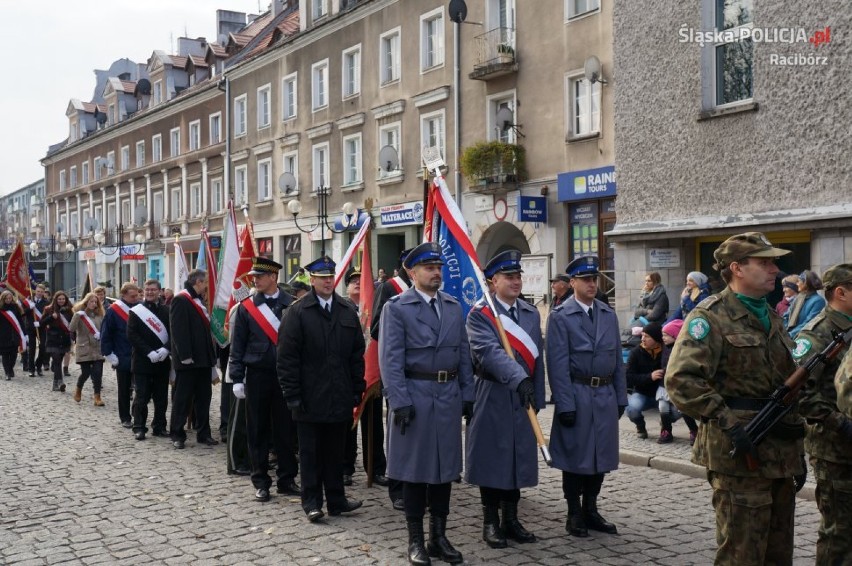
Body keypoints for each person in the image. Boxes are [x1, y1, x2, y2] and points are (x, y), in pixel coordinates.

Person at [665, 232, 806, 565]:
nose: (775, 269)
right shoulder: (710, 317)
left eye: (774, 262)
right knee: (741, 554)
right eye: (765, 262)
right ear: (737, 268)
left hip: (779, 456)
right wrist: (729, 422)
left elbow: (788, 385)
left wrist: (794, 456)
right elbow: (681, 380)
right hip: (739, 454)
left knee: (778, 553)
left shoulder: (771, 316)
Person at [379, 242, 475, 566]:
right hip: (415, 398)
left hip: (447, 397)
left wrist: (468, 394)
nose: (436, 273)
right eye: (428, 268)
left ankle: (439, 537)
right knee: (415, 474)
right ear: (412, 272)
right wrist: (399, 400)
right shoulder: (397, 308)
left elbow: (463, 354)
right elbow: (390, 360)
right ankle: (416, 541)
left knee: (444, 472)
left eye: (438, 268)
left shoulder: (452, 306)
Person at [465, 250, 545, 549]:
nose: (516, 281)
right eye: (509, 277)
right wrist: (520, 379)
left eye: (518, 276)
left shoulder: (530, 312)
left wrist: (536, 390)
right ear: (493, 281)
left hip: (522, 397)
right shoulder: (480, 315)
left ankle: (511, 518)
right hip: (493, 393)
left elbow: (537, 356)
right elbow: (489, 353)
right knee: (492, 457)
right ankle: (490, 521)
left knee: (517, 458)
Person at [278, 256, 365, 522]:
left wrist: (356, 389)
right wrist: (292, 395)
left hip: (339, 395)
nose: (328, 281)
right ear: (312, 280)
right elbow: (287, 358)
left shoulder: (346, 310)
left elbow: (356, 355)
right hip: (309, 397)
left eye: (331, 276)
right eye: (322, 277)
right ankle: (312, 502)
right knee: (311, 453)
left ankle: (337, 500)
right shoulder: (298, 312)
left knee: (335, 452)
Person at [546, 255, 626, 538]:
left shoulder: (607, 313)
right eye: (586, 280)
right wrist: (565, 403)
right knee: (576, 458)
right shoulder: (560, 316)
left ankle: (591, 508)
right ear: (573, 283)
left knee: (600, 456)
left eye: (595, 279)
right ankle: (573, 512)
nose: (592, 284)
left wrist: (621, 397)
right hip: (577, 394)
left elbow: (617, 358)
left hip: (604, 394)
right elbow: (556, 364)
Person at [792, 263, 852, 564]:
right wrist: (841, 424)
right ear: (840, 292)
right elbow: (799, 392)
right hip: (835, 448)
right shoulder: (818, 333)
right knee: (839, 532)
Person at [230, 257, 299, 502]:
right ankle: (261, 481)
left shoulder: (292, 305)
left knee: (286, 430)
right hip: (257, 375)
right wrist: (237, 377)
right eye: (254, 276)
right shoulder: (247, 308)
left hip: (285, 376)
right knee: (257, 430)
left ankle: (287, 478)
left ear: (273, 277)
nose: (254, 280)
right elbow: (237, 346)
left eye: (259, 276)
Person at [371, 248, 414, 511]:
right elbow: (377, 328)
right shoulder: (390, 289)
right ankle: (398, 488)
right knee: (400, 434)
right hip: (399, 371)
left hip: (428, 376)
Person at [342, 268, 389, 488]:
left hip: (370, 373)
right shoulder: (341, 308)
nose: (358, 284)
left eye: (362, 280)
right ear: (346, 286)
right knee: (347, 425)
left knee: (374, 425)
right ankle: (345, 468)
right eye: (353, 281)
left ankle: (376, 468)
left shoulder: (375, 307)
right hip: (348, 374)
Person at [169, 269, 219, 449]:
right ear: (198, 282)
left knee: (204, 398)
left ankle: (203, 433)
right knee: (183, 399)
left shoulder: (199, 300)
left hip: (204, 360)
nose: (207, 286)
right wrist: (185, 356)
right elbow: (178, 331)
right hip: (188, 361)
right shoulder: (181, 300)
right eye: (205, 282)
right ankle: (177, 433)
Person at [127, 279, 171, 440]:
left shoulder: (167, 310)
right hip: (142, 361)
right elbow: (132, 335)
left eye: (153, 290)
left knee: (161, 397)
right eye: (147, 290)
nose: (150, 292)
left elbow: (174, 333)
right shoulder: (136, 311)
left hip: (162, 360)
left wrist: (167, 348)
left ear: (160, 292)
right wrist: (149, 352)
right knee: (142, 396)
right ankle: (139, 427)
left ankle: (159, 426)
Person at [100, 283, 140, 429]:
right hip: (122, 355)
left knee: (141, 388)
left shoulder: (140, 308)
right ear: (123, 295)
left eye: (137, 295)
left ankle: (137, 413)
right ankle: (125, 417)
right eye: (132, 296)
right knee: (124, 389)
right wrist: (109, 354)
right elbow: (106, 333)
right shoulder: (114, 311)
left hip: (140, 355)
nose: (136, 298)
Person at [658, 319, 698, 445]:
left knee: (682, 408)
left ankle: (694, 430)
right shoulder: (665, 348)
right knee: (662, 407)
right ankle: (666, 431)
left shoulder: (682, 348)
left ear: (675, 335)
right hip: (664, 384)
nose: (663, 338)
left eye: (666, 335)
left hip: (679, 384)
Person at [624, 322, 665, 441]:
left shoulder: (666, 351)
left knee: (676, 411)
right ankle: (640, 426)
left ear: (656, 338)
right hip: (642, 393)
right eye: (642, 335)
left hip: (663, 394)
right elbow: (629, 377)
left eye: (646, 336)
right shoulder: (636, 352)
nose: (643, 339)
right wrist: (649, 377)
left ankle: (665, 424)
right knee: (631, 409)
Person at [68, 293, 104, 405]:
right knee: (86, 373)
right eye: (91, 301)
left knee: (98, 373)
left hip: (97, 348)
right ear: (86, 302)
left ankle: (97, 397)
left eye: (95, 302)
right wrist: (77, 316)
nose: (93, 304)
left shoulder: (100, 315)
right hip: (84, 348)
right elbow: (71, 328)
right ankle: (78, 389)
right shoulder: (80, 315)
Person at [42, 291, 73, 392]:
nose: (61, 301)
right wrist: (51, 317)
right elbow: (41, 323)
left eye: (63, 299)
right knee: (56, 360)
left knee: (58, 362)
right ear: (56, 299)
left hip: (64, 340)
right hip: (52, 339)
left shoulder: (69, 311)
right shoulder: (49, 309)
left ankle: (55, 384)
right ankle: (60, 382)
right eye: (59, 299)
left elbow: (72, 325)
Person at [785, 269, 826, 338]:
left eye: (798, 281)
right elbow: (786, 315)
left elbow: (809, 322)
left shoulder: (818, 301)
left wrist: (790, 335)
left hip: (803, 337)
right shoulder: (797, 298)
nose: (797, 284)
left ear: (805, 283)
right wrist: (784, 332)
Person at [0, 290, 26, 380]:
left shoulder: (15, 307)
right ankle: (7, 372)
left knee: (14, 355)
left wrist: (24, 333)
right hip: (3, 335)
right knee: (5, 355)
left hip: (14, 334)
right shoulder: (1, 308)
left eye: (10, 298)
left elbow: (20, 321)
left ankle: (10, 368)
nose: (8, 300)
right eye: (6, 298)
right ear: (3, 299)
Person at [27, 284, 49, 376]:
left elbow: (48, 317)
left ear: (44, 293)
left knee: (43, 347)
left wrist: (40, 323)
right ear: (35, 291)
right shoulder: (29, 300)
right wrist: (29, 307)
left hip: (42, 328)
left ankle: (38, 366)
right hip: (31, 328)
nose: (39, 293)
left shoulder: (47, 302)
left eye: (41, 292)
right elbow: (22, 313)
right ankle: (31, 369)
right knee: (31, 349)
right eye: (38, 291)